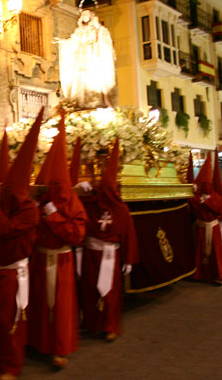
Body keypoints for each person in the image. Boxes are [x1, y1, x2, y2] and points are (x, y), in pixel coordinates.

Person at [0, 109, 44, 380]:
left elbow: (5, 229)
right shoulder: (0, 205)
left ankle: (11, 366)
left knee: (11, 321)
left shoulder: (29, 210)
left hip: (12, 274)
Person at [28, 115, 87, 368]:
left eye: (58, 184)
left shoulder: (73, 203)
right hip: (39, 258)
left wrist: (52, 215)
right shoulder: (38, 200)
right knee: (39, 302)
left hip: (61, 258)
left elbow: (76, 234)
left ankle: (60, 348)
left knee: (61, 307)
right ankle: (38, 342)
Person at [80, 139, 138, 341]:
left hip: (109, 255)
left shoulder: (121, 210)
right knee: (89, 289)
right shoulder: (90, 204)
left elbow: (128, 235)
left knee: (110, 292)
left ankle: (110, 325)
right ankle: (92, 322)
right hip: (90, 254)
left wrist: (129, 260)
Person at [189, 152, 222, 285]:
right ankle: (200, 274)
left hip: (212, 227)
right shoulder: (196, 197)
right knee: (199, 251)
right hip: (201, 227)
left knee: (215, 252)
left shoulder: (215, 197)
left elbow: (220, 209)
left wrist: (208, 202)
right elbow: (192, 207)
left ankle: (217, 274)